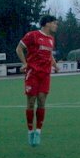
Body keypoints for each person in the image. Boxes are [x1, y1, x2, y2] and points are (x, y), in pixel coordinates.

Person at [17, 14, 59, 147]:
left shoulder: (51, 39)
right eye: (54, 23)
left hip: (45, 75)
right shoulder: (32, 35)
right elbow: (19, 48)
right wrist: (24, 63)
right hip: (33, 73)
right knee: (31, 103)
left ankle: (38, 132)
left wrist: (55, 65)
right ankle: (30, 131)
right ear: (47, 23)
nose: (56, 26)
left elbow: (49, 54)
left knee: (41, 102)